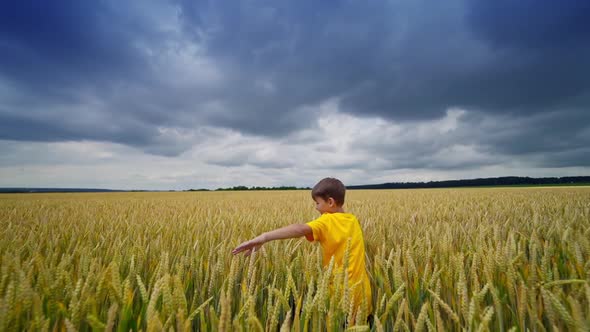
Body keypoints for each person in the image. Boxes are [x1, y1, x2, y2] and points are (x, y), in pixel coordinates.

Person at [231, 177, 372, 324]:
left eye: (317, 203)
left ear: (330, 202)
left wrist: (265, 237)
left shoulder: (327, 220)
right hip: (363, 295)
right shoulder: (352, 220)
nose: (316, 207)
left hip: (340, 297)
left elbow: (300, 228)